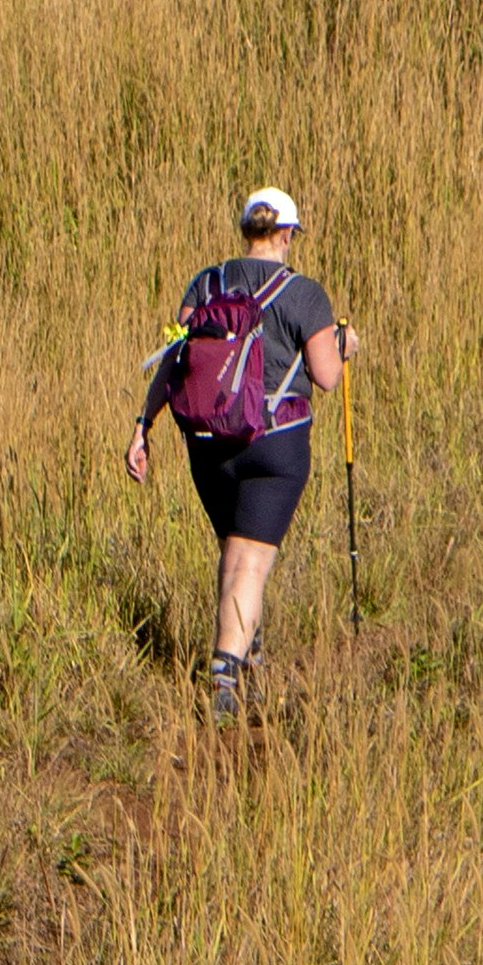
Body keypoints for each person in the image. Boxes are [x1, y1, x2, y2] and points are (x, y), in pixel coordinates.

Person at [126, 188, 353, 718]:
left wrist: (143, 425)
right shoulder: (305, 294)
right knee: (249, 560)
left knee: (233, 552)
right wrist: (346, 344)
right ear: (287, 233)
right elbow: (326, 377)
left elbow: (174, 358)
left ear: (245, 229)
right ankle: (225, 672)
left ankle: (248, 655)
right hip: (275, 446)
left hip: (207, 445)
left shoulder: (206, 284)